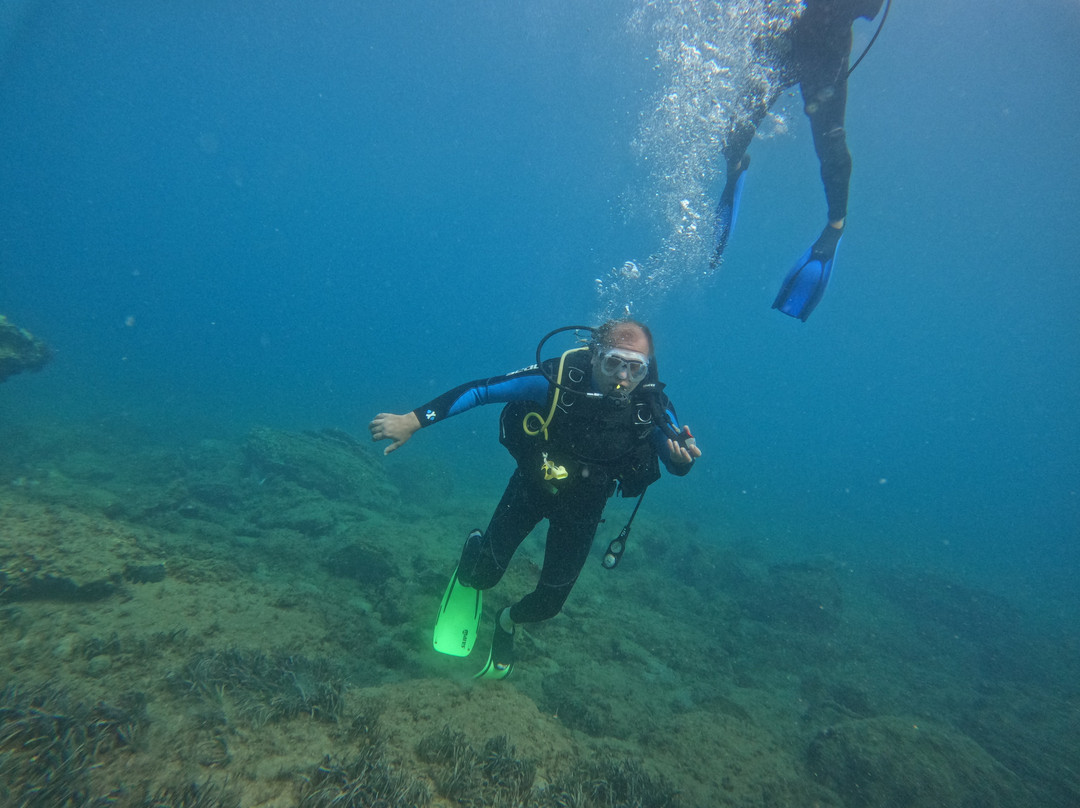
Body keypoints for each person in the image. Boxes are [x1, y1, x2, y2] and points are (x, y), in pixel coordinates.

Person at [369, 319, 701, 678]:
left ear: (647, 369)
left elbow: (674, 456)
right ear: (593, 358)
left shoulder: (650, 406)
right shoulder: (557, 379)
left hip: (585, 508)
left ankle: (506, 621)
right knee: (482, 578)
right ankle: (475, 552)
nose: (623, 376)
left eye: (636, 367)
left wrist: (682, 461)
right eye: (613, 363)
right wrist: (414, 420)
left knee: (548, 604)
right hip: (532, 487)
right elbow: (482, 390)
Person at [712, 0, 888, 321]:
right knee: (734, 137)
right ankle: (735, 169)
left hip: (826, 52)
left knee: (831, 144)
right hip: (779, 40)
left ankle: (834, 228)